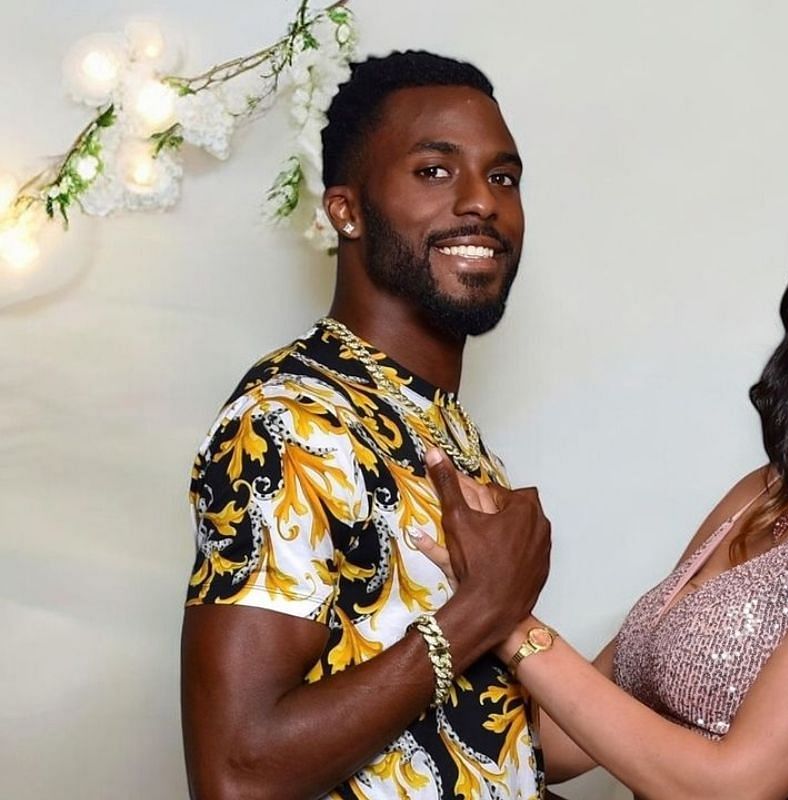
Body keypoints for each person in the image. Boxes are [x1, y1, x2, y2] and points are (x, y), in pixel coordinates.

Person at [423, 168, 788, 799]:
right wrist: (462, 581)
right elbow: (561, 744)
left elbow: (732, 789)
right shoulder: (760, 494)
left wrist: (508, 616)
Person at [180, 51, 554, 800]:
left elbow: (471, 739)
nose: (481, 201)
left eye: (503, 177)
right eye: (435, 171)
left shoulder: (440, 426)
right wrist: (481, 609)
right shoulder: (290, 421)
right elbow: (236, 773)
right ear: (346, 210)